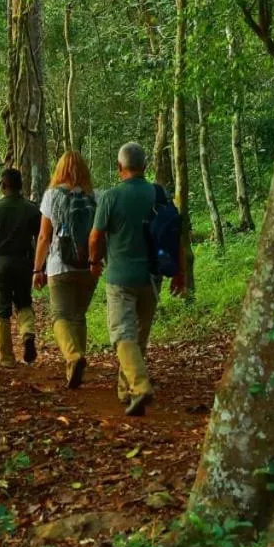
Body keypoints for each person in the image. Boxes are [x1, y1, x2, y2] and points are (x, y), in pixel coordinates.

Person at [89, 142, 185, 416]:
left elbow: (95, 237)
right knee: (138, 337)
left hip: (120, 278)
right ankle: (126, 390)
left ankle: (141, 386)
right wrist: (180, 272)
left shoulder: (111, 197)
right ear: (144, 166)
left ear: (120, 167)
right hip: (152, 278)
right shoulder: (159, 194)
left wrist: (94, 262)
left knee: (122, 335)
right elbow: (175, 235)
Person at [33, 151, 97, 388]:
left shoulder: (52, 195)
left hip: (59, 265)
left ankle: (73, 356)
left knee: (60, 316)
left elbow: (44, 236)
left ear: (59, 170)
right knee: (79, 316)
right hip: (89, 266)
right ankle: (75, 369)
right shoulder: (94, 196)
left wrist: (37, 269)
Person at [0, 168, 42, 367]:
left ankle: (7, 357)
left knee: (2, 310)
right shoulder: (32, 208)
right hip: (24, 263)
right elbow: (41, 238)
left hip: (1, 263)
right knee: (24, 302)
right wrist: (39, 267)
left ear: (3, 185)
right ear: (21, 185)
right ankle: (27, 334)